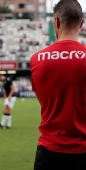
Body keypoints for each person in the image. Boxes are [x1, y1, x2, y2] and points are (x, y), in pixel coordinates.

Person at [30, 0, 86, 170]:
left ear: (56, 21)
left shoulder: (37, 60)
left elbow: (44, 102)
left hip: (49, 152)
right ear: (81, 23)